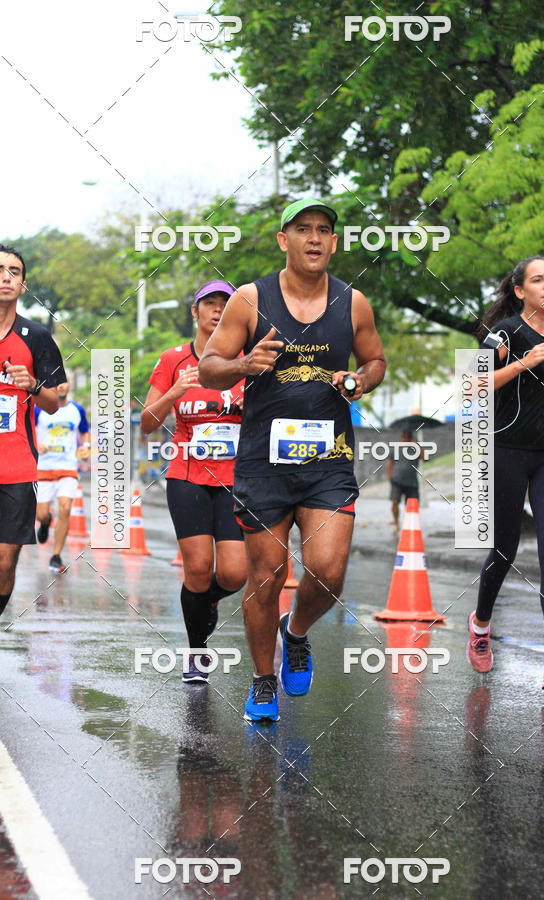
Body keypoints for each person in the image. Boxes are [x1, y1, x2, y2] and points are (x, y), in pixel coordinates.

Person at [199, 198, 386, 721]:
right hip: (263, 463)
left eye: (324, 230)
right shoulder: (249, 299)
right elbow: (209, 367)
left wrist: (359, 380)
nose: (314, 238)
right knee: (266, 575)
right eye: (303, 229)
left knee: (328, 571)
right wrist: (244, 364)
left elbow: (375, 360)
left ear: (334, 242)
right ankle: (263, 680)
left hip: (329, 459)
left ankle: (296, 631)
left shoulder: (353, 302)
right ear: (284, 240)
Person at [468, 256, 544, 690]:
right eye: (538, 280)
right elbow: (473, 385)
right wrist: (526, 361)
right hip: (507, 450)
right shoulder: (505, 333)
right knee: (504, 550)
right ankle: (480, 624)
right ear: (520, 291)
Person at [141, 281, 246, 683]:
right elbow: (148, 423)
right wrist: (174, 392)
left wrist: (251, 405)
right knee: (198, 568)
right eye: (210, 303)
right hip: (187, 475)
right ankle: (197, 651)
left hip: (236, 479)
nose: (218, 310)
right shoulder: (173, 359)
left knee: (234, 574)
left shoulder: (246, 361)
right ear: (195, 312)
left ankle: (206, 604)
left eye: (226, 304)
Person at [0, 244, 66, 674]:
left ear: (23, 284)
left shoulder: (35, 337)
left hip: (15, 467)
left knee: (4, 563)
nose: (5, 276)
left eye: (14, 271)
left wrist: (32, 384)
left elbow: (53, 403)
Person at [35, 381, 90, 573]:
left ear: (69, 386)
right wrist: (36, 444)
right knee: (41, 514)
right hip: (43, 467)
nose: (61, 386)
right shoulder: (38, 409)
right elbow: (27, 430)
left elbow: (84, 431)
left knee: (65, 508)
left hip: (68, 466)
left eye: (64, 382)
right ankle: (45, 521)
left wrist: (85, 447)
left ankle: (56, 556)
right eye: (57, 383)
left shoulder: (77, 410)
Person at [386, 429, 424, 531]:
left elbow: (424, 458)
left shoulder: (415, 448)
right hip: (396, 480)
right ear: (402, 437)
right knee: (395, 502)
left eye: (408, 436)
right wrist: (390, 476)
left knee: (412, 504)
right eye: (404, 436)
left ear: (411, 438)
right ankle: (396, 522)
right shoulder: (395, 448)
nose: (406, 438)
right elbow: (389, 462)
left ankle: (410, 524)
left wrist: (418, 446)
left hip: (412, 482)